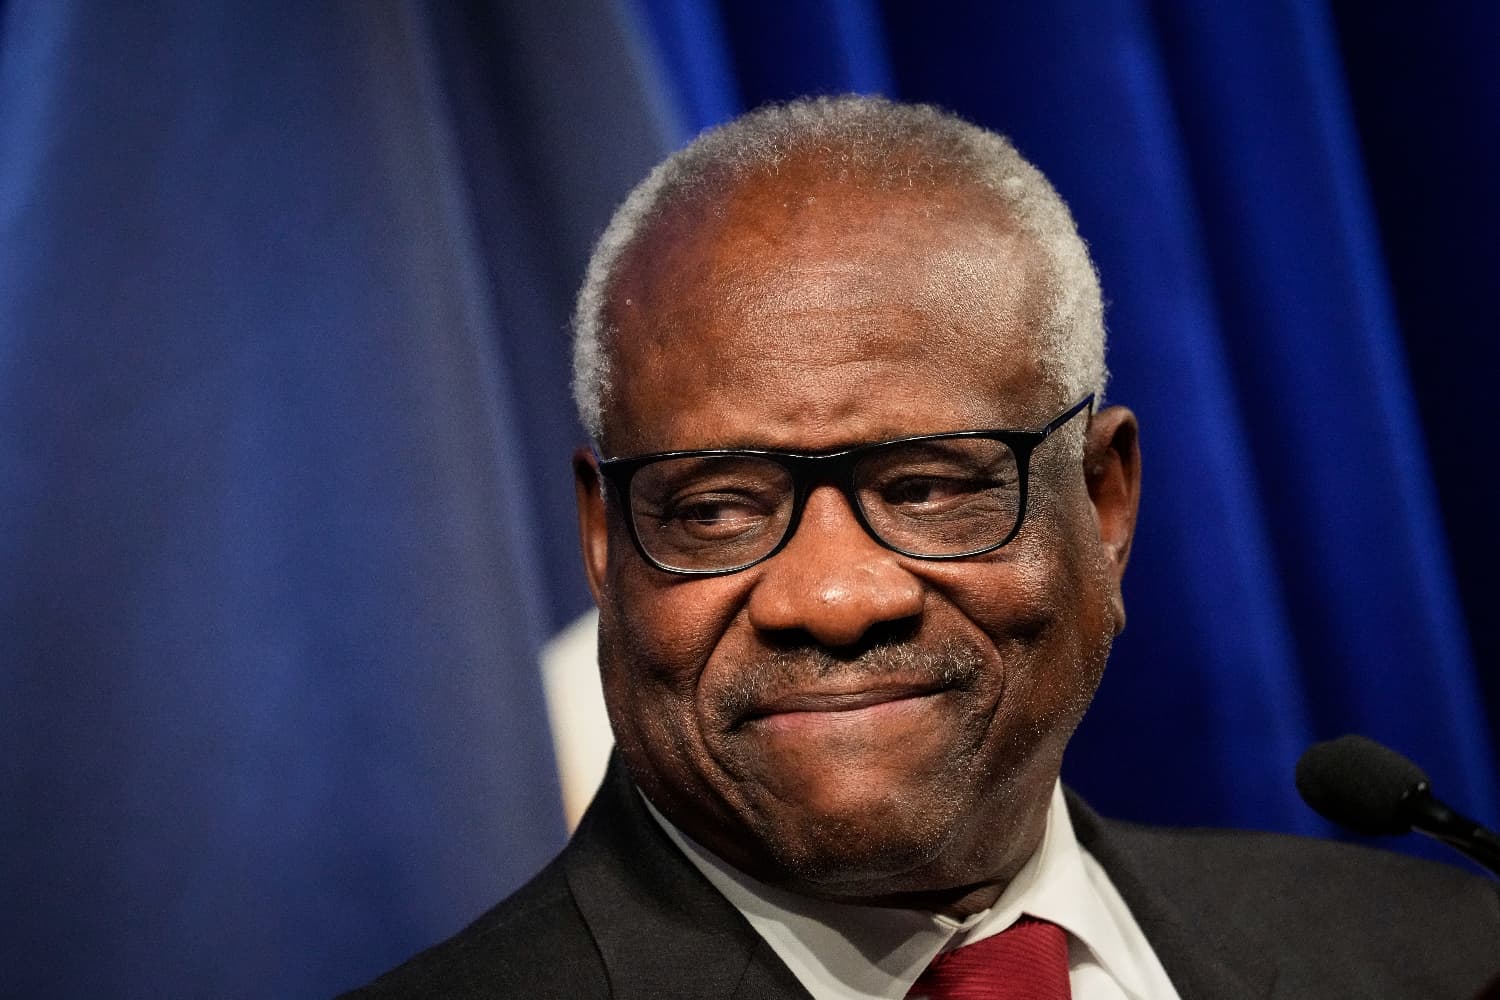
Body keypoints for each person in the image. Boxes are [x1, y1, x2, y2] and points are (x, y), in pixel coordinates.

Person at [344, 96, 1499, 999]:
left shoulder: (1450, 956)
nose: (834, 595)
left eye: (930, 487)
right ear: (604, 543)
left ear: (1102, 505)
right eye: (719, 509)